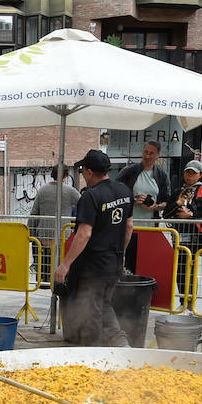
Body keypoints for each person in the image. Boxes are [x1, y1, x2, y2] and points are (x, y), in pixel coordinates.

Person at [53, 149, 132, 347]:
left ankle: (101, 351)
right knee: (103, 306)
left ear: (88, 172)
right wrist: (120, 254)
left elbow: (84, 234)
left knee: (92, 314)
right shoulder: (124, 191)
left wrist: (65, 265)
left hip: (94, 267)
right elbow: (129, 226)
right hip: (113, 264)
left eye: (82, 171)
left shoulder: (91, 197)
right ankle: (120, 345)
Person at [116, 141, 171, 273]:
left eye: (151, 153)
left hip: (151, 228)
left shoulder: (162, 176)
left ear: (158, 155)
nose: (147, 156)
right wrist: (133, 201)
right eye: (145, 152)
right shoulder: (129, 171)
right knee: (128, 263)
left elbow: (167, 202)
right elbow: (115, 192)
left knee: (147, 264)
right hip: (129, 227)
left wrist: (155, 206)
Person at [169, 159, 202, 306]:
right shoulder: (178, 191)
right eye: (187, 173)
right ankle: (183, 300)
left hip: (196, 236)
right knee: (180, 268)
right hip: (179, 234)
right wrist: (177, 206)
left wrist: (191, 215)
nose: (189, 176)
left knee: (192, 267)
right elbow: (167, 212)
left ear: (200, 175)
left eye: (193, 173)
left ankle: (191, 301)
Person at [30, 169, 77, 284]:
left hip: (44, 234)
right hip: (63, 234)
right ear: (66, 175)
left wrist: (30, 233)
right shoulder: (70, 191)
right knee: (60, 265)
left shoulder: (42, 190)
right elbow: (84, 203)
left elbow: (34, 213)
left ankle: (43, 283)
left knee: (44, 266)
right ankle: (58, 286)